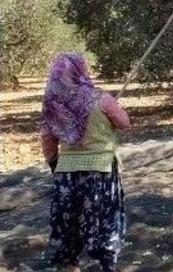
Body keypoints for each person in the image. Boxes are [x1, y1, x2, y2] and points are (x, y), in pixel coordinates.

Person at [40, 53, 130, 272]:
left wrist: (54, 163)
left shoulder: (52, 105)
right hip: (100, 171)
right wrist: (114, 110)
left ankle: (71, 265)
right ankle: (108, 265)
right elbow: (124, 123)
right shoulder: (102, 100)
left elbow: (47, 137)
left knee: (67, 220)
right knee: (104, 217)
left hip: (67, 173)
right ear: (81, 71)